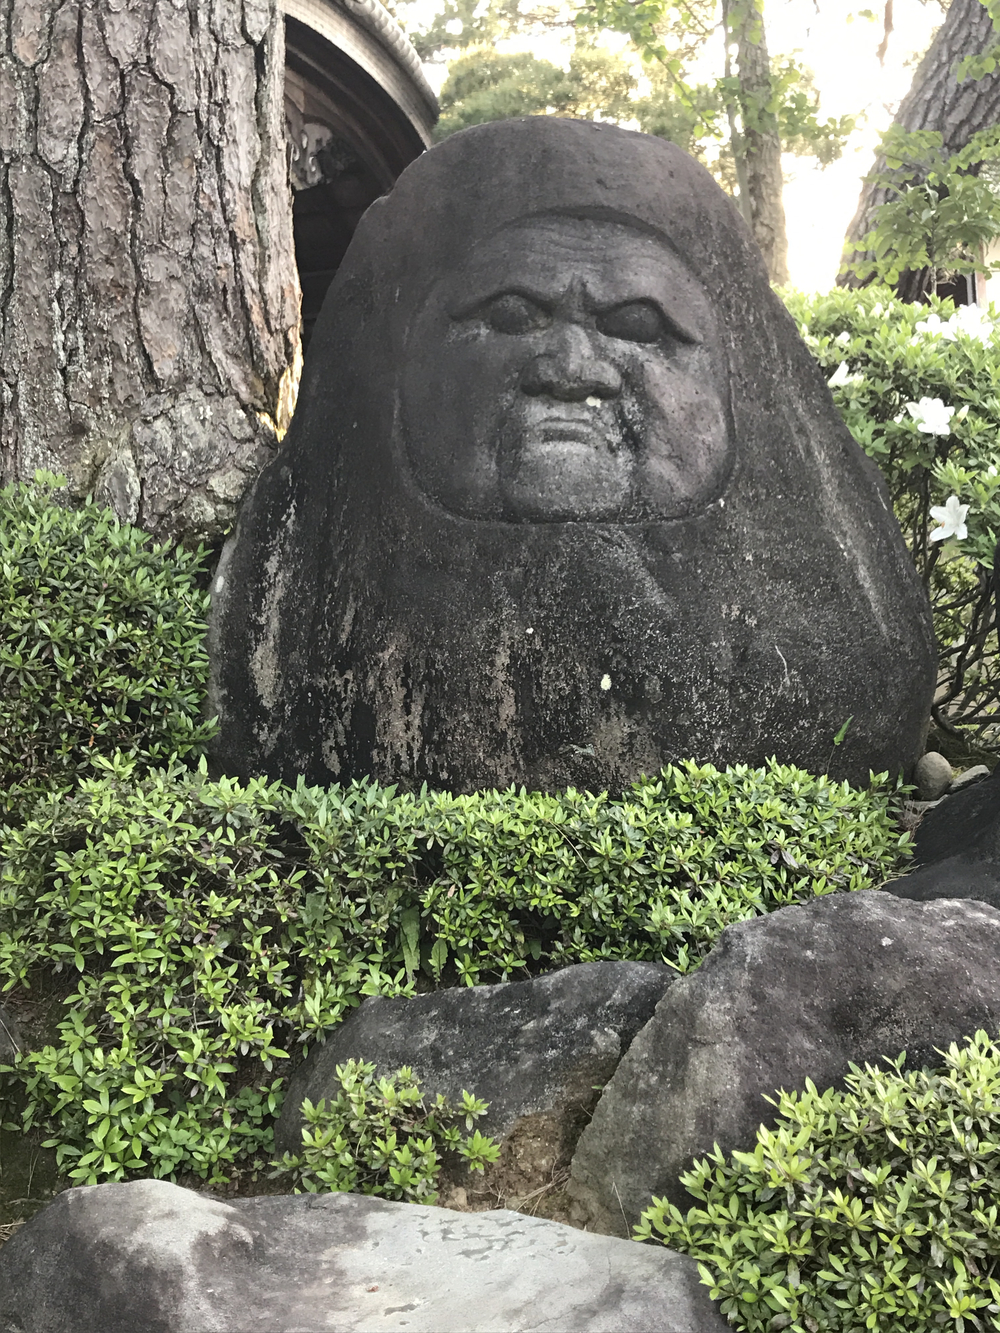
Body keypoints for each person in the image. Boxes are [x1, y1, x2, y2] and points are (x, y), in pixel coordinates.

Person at [210, 116, 935, 794]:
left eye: (635, 323)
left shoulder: (821, 646)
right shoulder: (308, 628)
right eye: (515, 314)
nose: (572, 365)